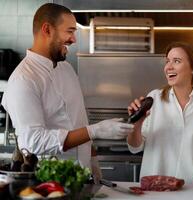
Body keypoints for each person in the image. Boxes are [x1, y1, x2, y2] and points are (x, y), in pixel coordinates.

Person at [1, 3, 134, 183]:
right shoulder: (23, 80)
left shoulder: (67, 69)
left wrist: (93, 162)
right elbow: (34, 141)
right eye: (69, 31)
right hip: (49, 183)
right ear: (47, 29)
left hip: (83, 179)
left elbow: (79, 120)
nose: (74, 39)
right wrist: (95, 130)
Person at [127, 42, 193, 186]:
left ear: (192, 69)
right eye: (167, 61)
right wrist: (137, 124)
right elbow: (135, 147)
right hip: (155, 190)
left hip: (191, 188)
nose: (168, 67)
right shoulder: (154, 99)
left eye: (176, 61)